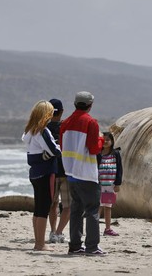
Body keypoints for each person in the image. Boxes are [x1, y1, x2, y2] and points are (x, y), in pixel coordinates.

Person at [60, 91, 106, 256]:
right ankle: (92, 247)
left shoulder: (65, 123)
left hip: (71, 172)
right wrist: (101, 139)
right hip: (86, 172)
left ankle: (75, 245)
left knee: (76, 210)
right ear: (90, 105)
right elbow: (94, 148)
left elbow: (63, 147)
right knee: (92, 210)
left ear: (75, 104)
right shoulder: (91, 122)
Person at [23, 100, 61, 251]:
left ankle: (38, 242)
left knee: (39, 207)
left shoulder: (30, 130)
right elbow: (55, 151)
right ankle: (40, 244)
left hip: (35, 174)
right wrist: (59, 148)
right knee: (44, 208)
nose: (52, 114)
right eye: (51, 111)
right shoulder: (43, 131)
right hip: (45, 172)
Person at [47, 98, 70, 244]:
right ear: (61, 111)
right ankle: (59, 232)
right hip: (67, 171)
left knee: (52, 204)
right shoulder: (67, 127)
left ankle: (52, 231)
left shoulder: (43, 128)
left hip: (51, 172)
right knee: (68, 205)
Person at [97, 132, 123, 236]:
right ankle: (94, 228)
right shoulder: (98, 153)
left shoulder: (115, 153)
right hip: (99, 184)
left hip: (110, 185)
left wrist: (117, 183)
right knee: (98, 206)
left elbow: (119, 169)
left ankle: (107, 229)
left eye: (108, 139)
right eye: (104, 139)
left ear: (112, 141)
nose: (106, 141)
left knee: (108, 206)